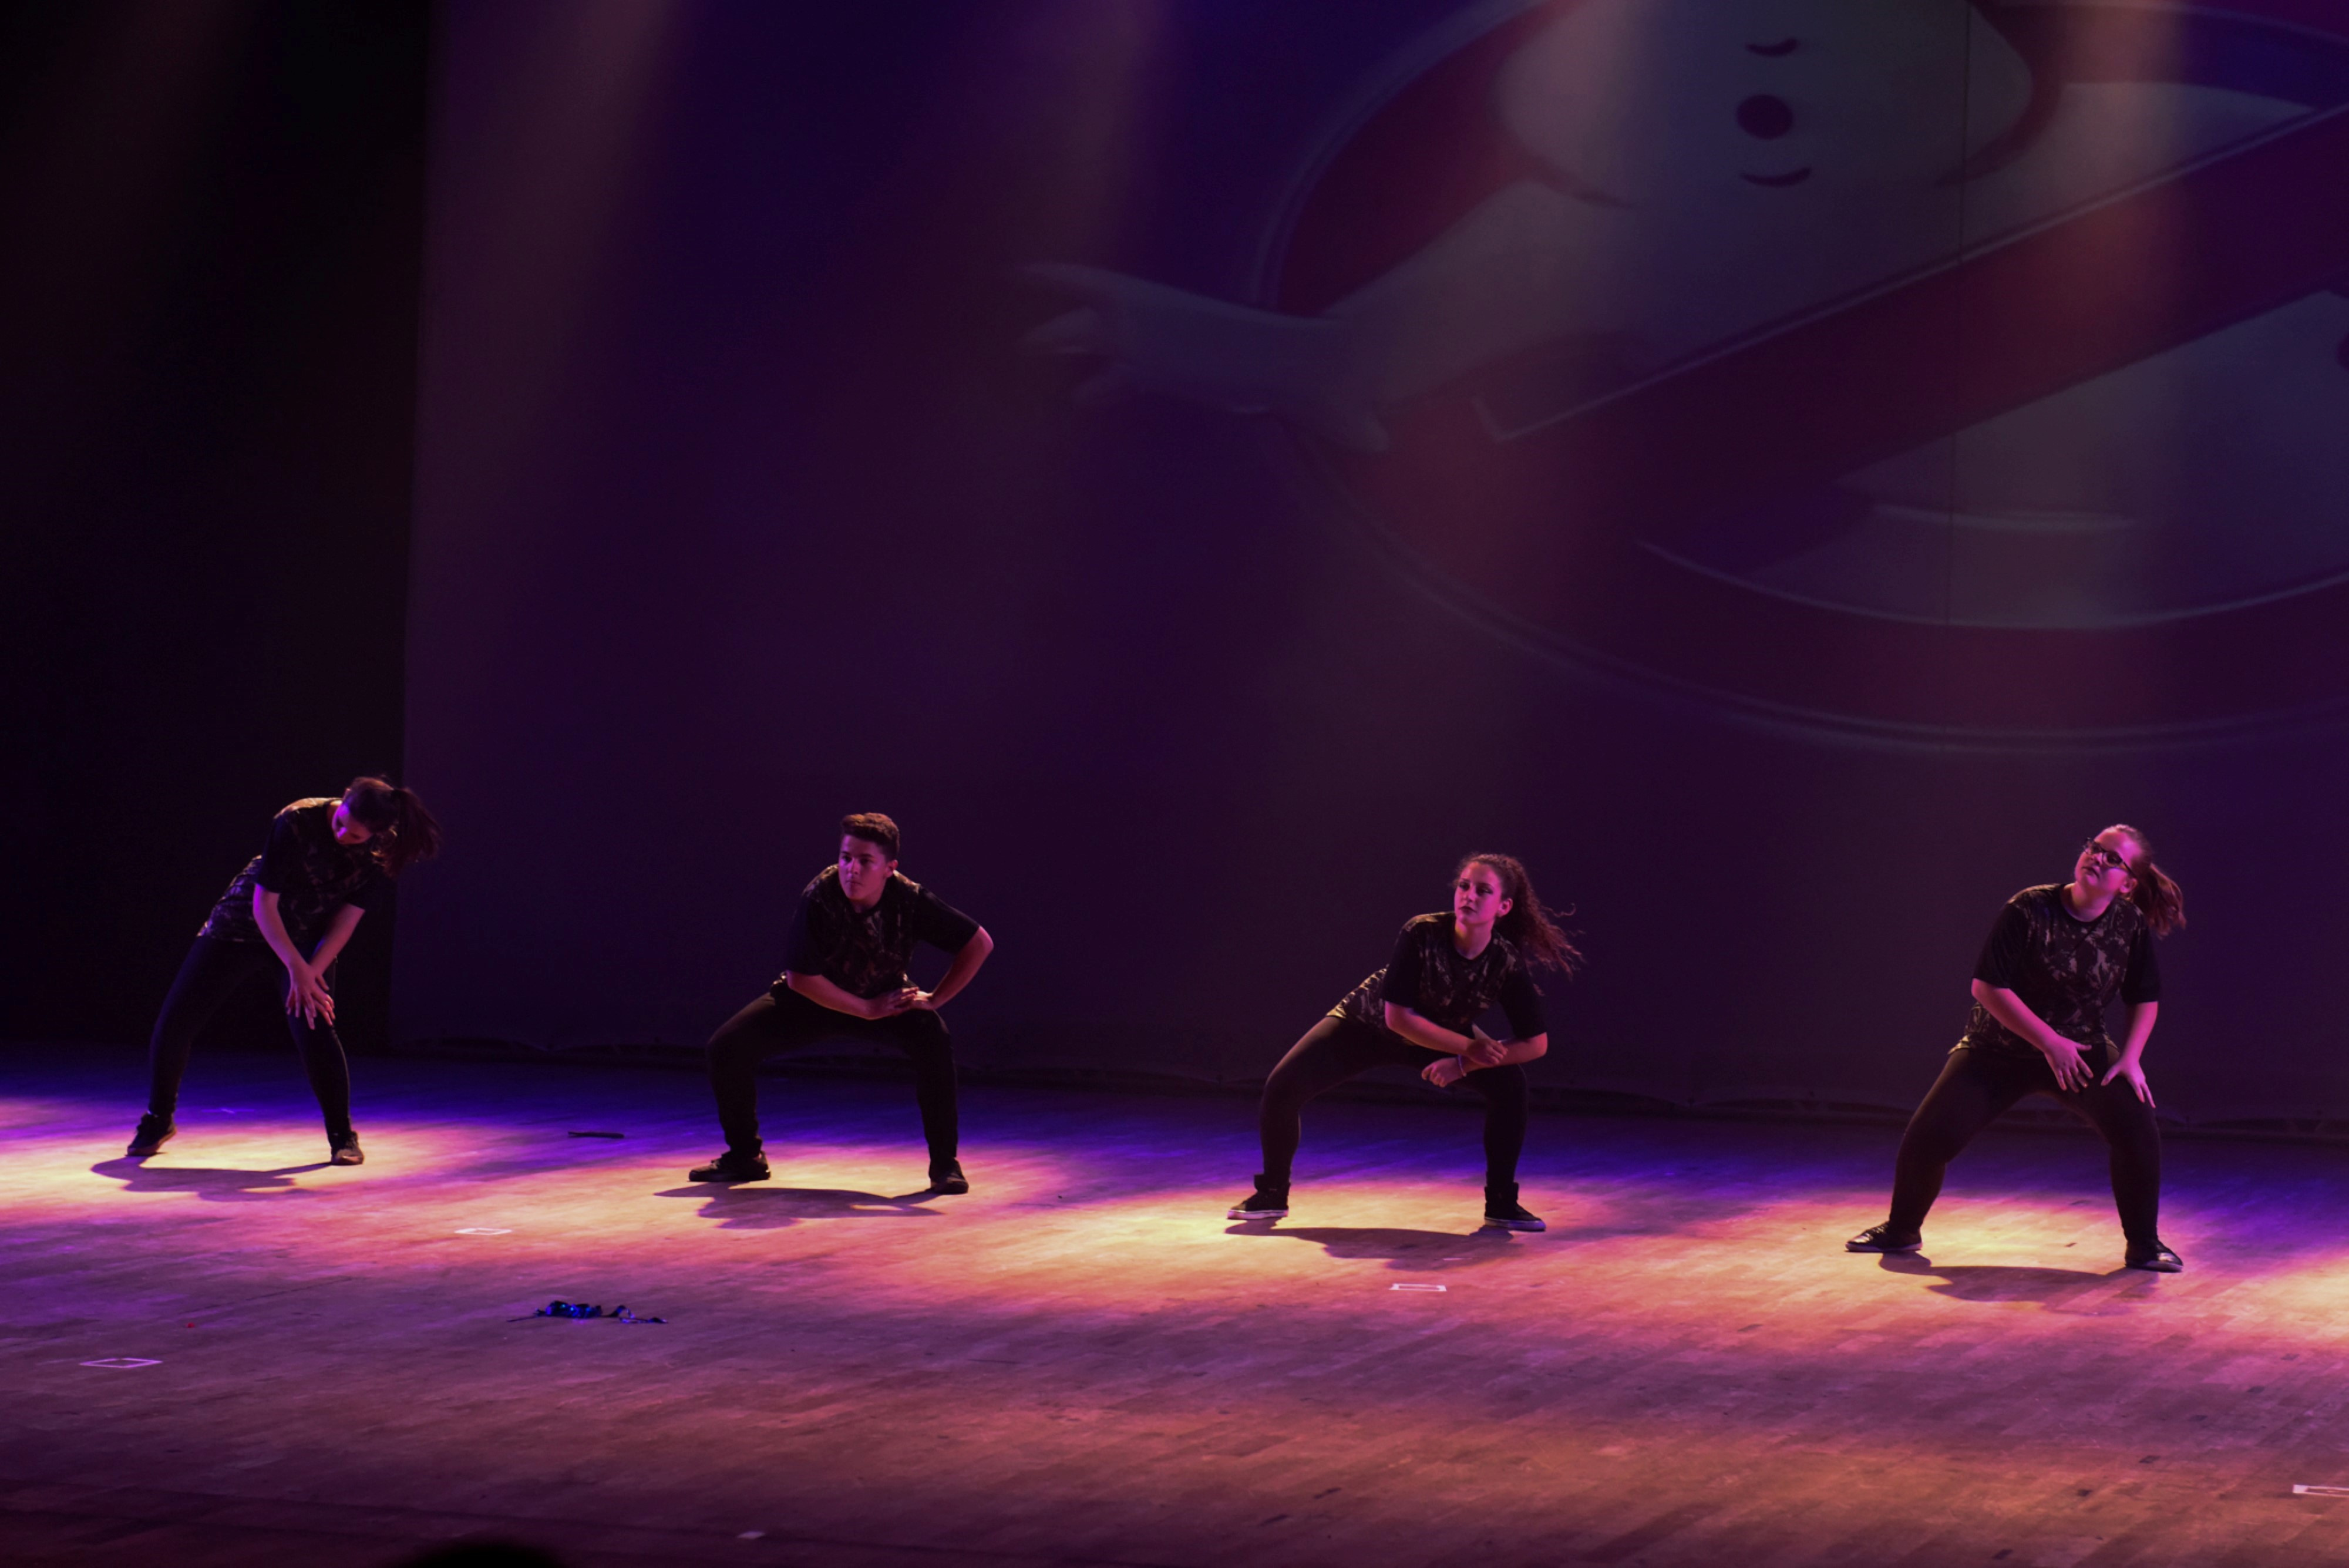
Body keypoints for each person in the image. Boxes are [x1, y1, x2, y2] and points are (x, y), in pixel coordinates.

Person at [1848, 825, 2188, 1271]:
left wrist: (2130, 1058)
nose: (2096, 858)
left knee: (2137, 1128)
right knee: (1929, 1137)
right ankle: (1901, 1231)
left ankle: (2144, 1245)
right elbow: (1987, 987)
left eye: (2112, 859)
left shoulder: (2129, 924)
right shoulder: (2029, 908)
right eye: (2094, 848)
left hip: (2079, 1051)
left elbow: (2144, 996)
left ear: (2128, 884)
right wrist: (2049, 1042)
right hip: (1997, 1048)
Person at [1229, 853, 1579, 1231]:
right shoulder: (1422, 932)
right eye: (1464, 886)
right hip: (1366, 1026)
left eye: (1483, 891)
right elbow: (1398, 1019)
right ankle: (1272, 1194)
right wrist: (1467, 1049)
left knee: (1511, 1086)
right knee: (1282, 1087)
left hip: (1438, 1036)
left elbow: (1535, 1044)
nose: (1469, 896)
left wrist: (1464, 1064)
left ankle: (1502, 1203)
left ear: (1504, 906)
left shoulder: (1505, 962)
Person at [129, 777, 443, 1164]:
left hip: (309, 934)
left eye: (355, 835)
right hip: (243, 923)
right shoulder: (298, 819)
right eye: (341, 823)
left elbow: (346, 920)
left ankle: (342, 1135)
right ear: (343, 798)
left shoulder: (383, 852)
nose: (342, 835)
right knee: (177, 1019)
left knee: (315, 1026)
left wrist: (311, 972)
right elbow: (265, 903)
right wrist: (296, 967)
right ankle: (158, 1119)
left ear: (376, 834)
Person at [690, 812, 994, 1193]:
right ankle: (745, 1157)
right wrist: (866, 1010)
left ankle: (945, 1165)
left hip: (884, 998)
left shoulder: (910, 899)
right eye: (846, 858)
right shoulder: (820, 894)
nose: (852, 870)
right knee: (726, 1048)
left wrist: (935, 999)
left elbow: (978, 943)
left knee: (934, 1041)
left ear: (889, 868)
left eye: (865, 861)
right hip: (815, 999)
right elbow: (801, 979)